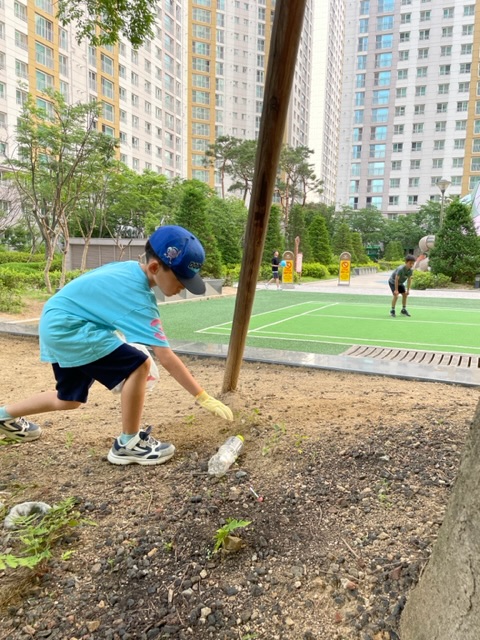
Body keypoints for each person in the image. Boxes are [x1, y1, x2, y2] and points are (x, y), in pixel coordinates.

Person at [0, 225, 233, 465]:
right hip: (70, 328)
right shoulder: (140, 299)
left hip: (57, 322)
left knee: (68, 399)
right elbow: (166, 357)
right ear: (155, 267)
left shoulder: (129, 269)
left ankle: (3, 416)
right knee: (139, 364)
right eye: (180, 279)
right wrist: (202, 396)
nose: (184, 286)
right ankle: (128, 444)